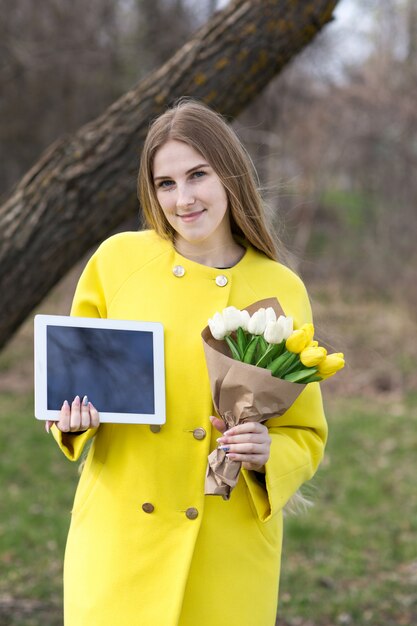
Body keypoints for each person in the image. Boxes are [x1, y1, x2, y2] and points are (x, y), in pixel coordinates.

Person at [47, 98, 327, 626]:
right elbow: (68, 386)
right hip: (121, 543)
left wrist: (270, 451)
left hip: (227, 552)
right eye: (165, 183)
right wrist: (70, 421)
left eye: (197, 175)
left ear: (230, 175)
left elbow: (306, 431)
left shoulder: (279, 287)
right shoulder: (117, 263)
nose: (184, 198)